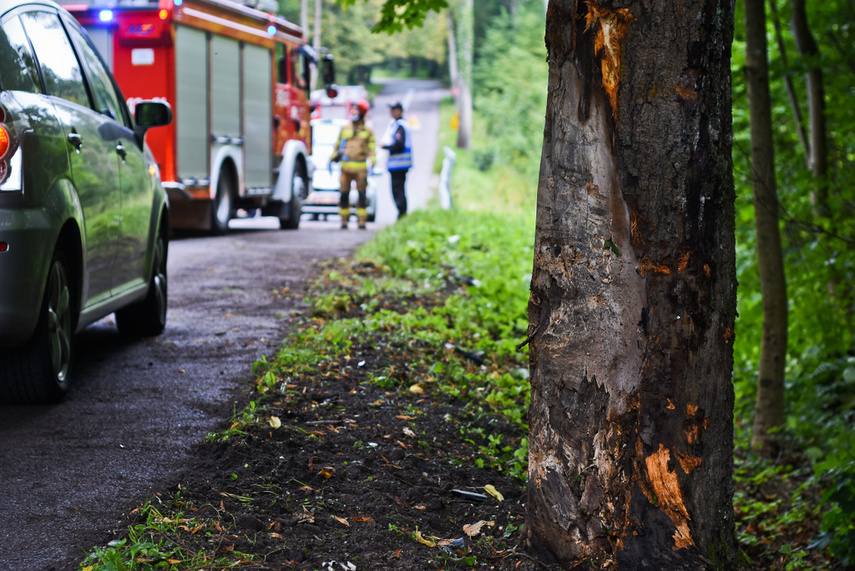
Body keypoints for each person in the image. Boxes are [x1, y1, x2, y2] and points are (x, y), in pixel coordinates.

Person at [331, 99, 375, 229]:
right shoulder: (345, 128)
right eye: (352, 109)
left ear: (362, 112)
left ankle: (361, 220)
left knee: (362, 195)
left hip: (360, 168)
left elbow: (372, 148)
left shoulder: (367, 130)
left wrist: (372, 162)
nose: (353, 112)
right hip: (345, 168)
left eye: (356, 110)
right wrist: (333, 157)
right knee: (344, 194)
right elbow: (338, 145)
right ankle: (344, 220)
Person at [380, 101, 413, 219]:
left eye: (394, 110)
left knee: (398, 191)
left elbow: (399, 145)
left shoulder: (400, 126)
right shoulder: (398, 125)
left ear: (399, 111)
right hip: (398, 165)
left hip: (399, 165)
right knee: (398, 190)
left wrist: (385, 146)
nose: (392, 113)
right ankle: (402, 213)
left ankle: (402, 214)